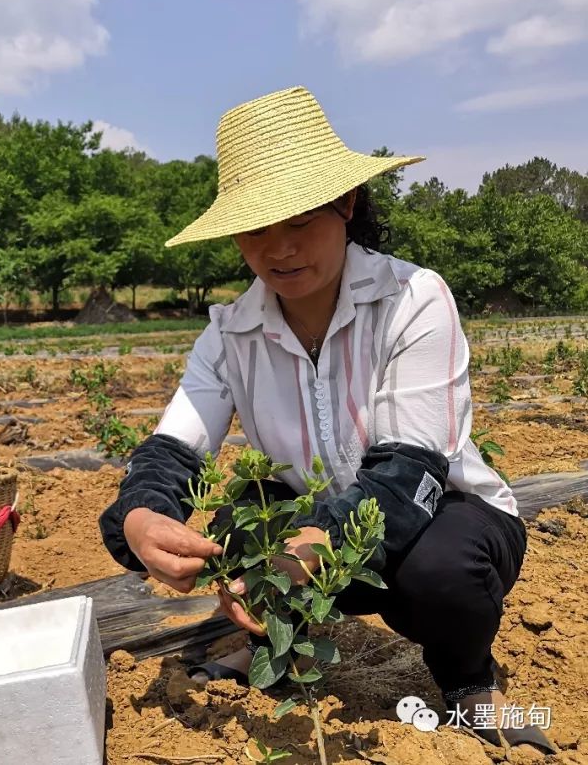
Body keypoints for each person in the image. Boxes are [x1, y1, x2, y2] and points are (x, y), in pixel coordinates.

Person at [98, 87, 554, 754]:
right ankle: (271, 647)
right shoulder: (231, 333)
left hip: (442, 512)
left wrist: (303, 554)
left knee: (438, 571)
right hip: (311, 526)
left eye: (298, 221)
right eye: (256, 228)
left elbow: (410, 475)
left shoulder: (412, 299)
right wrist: (139, 516)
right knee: (238, 522)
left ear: (344, 206)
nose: (278, 249)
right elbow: (174, 445)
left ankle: (468, 684)